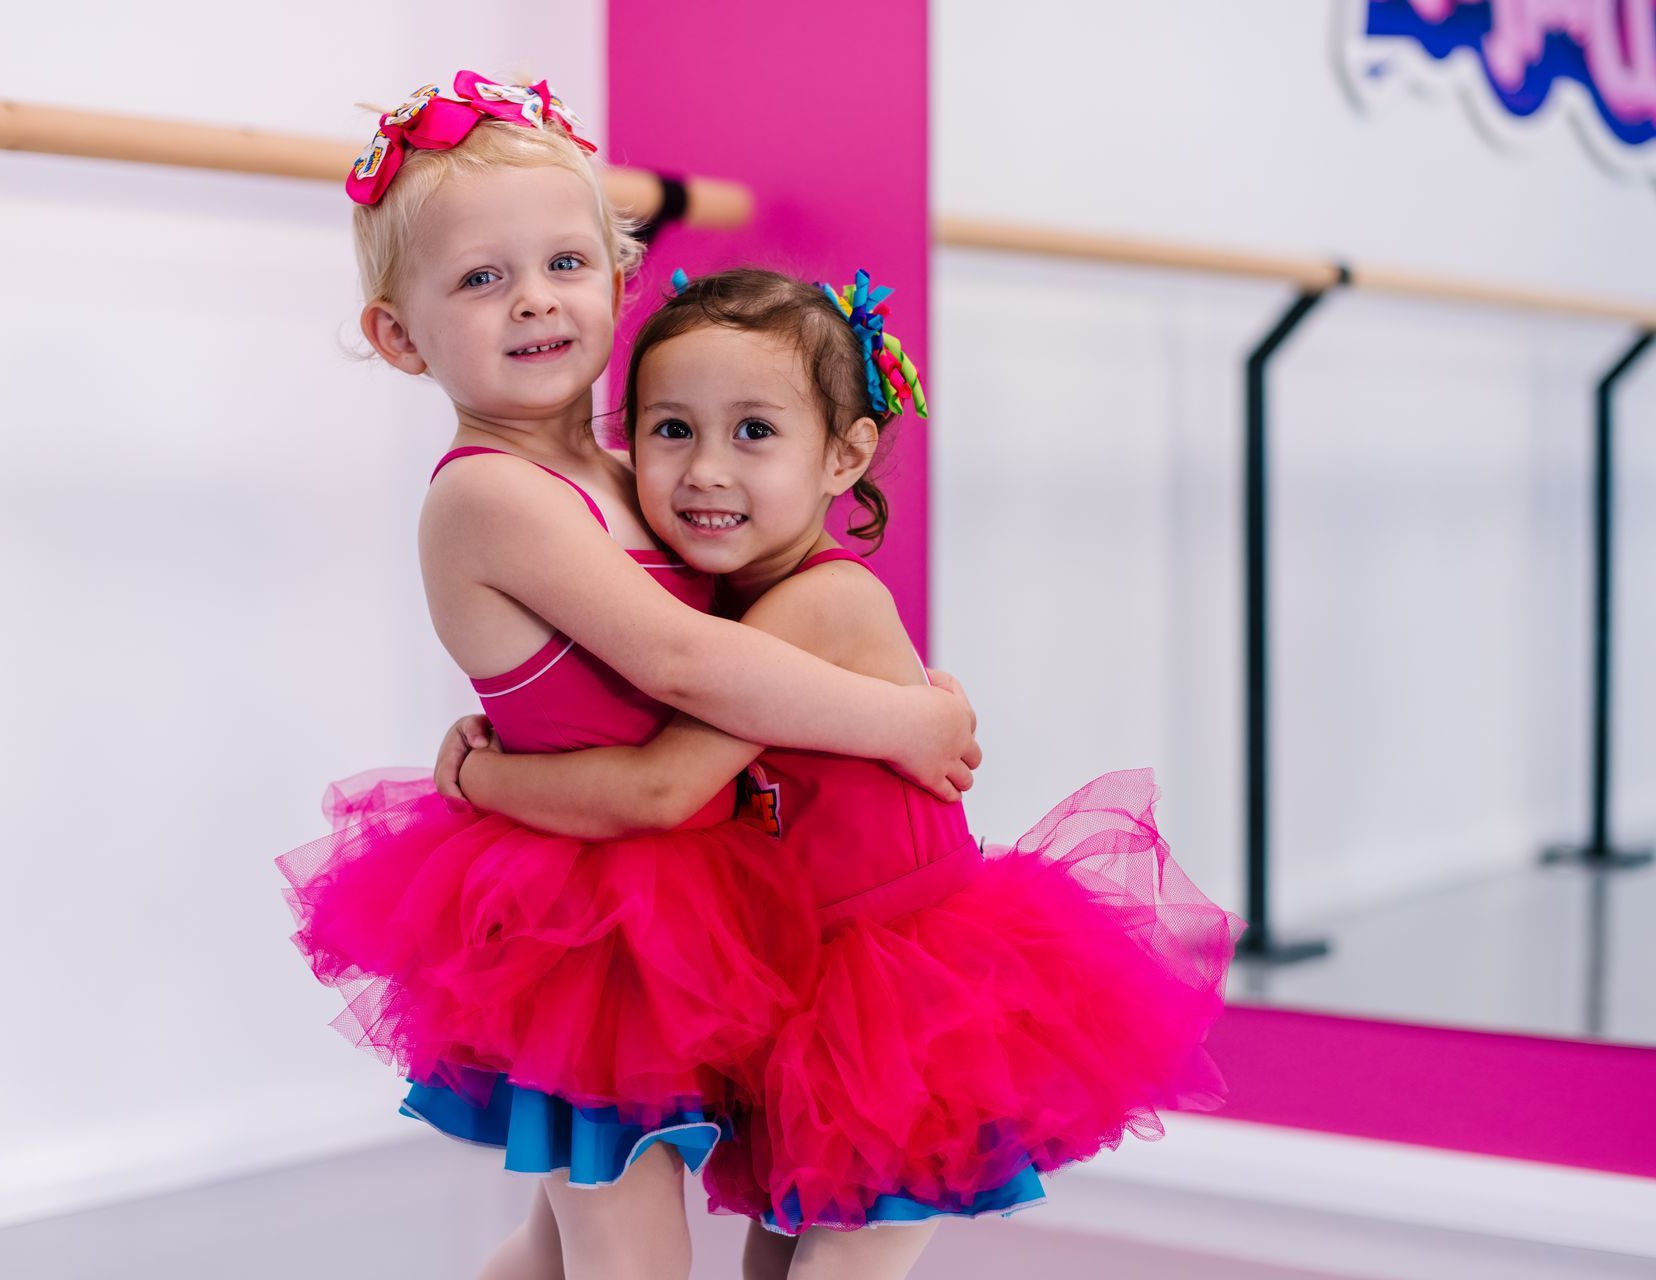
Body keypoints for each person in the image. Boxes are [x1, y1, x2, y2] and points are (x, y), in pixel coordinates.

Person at [276, 78, 980, 1280]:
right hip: (594, 919)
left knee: (563, 1241)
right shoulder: (490, 491)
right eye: (480, 279)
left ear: (620, 278)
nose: (536, 297)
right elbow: (686, 658)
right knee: (626, 1249)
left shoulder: (633, 462)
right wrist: (910, 719)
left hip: (694, 902)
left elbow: (769, 596)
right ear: (401, 335)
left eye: (565, 261)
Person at [440, 266, 1242, 1280]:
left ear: (846, 454)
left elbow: (661, 785)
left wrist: (481, 782)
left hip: (907, 1009)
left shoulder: (818, 605)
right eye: (671, 429)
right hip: (815, 997)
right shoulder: (711, 605)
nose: (705, 471)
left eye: (755, 432)